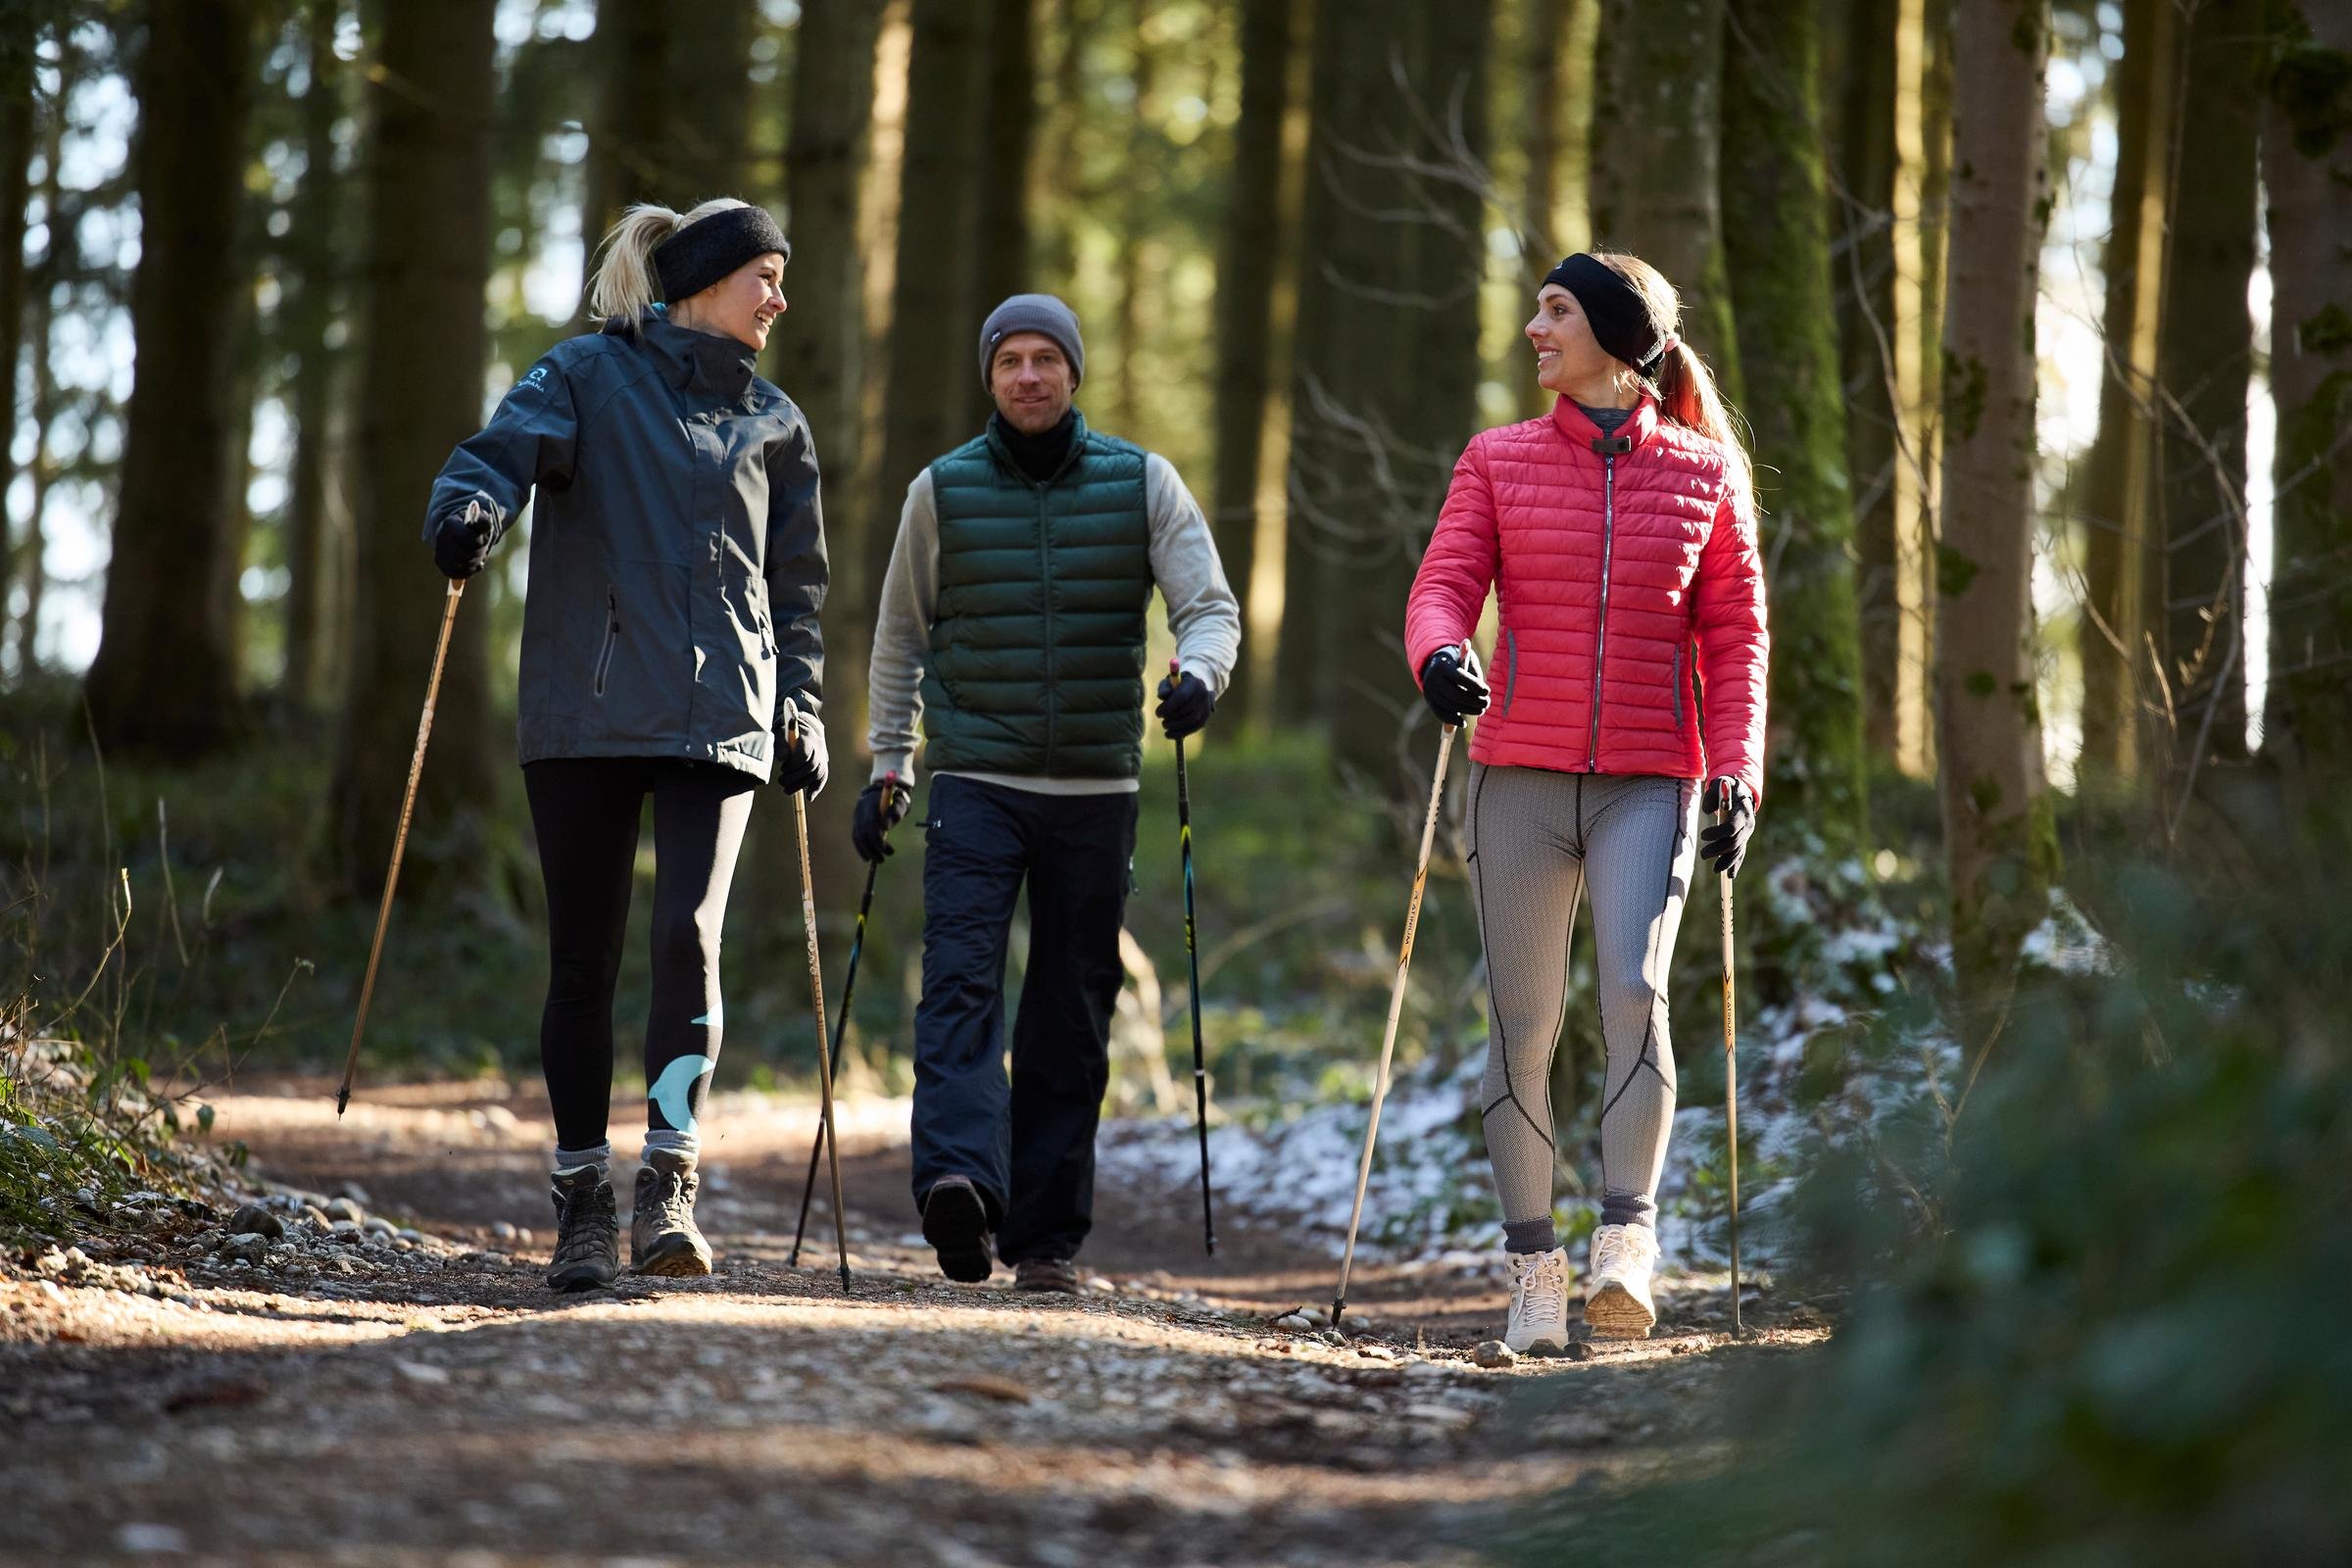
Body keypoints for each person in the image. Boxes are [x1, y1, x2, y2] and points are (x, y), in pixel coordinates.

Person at [423, 198, 828, 1292]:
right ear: (705, 279)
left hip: (724, 713)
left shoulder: (776, 422)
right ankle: (582, 1201)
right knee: (583, 958)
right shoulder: (584, 376)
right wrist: (468, 511)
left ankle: (669, 1183)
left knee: (689, 938)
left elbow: (797, 588)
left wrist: (803, 705)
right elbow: (495, 456)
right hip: (587, 707)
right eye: (766, 277)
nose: (780, 299)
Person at [1403, 251, 1769, 1348]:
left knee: (1633, 992)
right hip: (1518, 777)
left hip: (1651, 781)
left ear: (1613, 334)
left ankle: (1625, 1247)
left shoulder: (1705, 475)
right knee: (1523, 1022)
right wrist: (1440, 655)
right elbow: (1443, 585)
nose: (1534, 327)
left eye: (1556, 309)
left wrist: (1739, 770)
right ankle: (1533, 1275)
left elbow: (1737, 639)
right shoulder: (1497, 459)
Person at [856, 293, 1242, 1294]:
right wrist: (889, 764)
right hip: (975, 782)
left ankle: (1045, 1241)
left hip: (1096, 788)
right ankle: (958, 1183)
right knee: (959, 984)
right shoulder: (940, 491)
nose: (1028, 376)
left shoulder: (1142, 482)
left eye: (1045, 359)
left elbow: (1208, 607)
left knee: (1070, 1011)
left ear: (1074, 371)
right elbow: (900, 637)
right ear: (989, 377)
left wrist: (1200, 676)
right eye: (1009, 361)